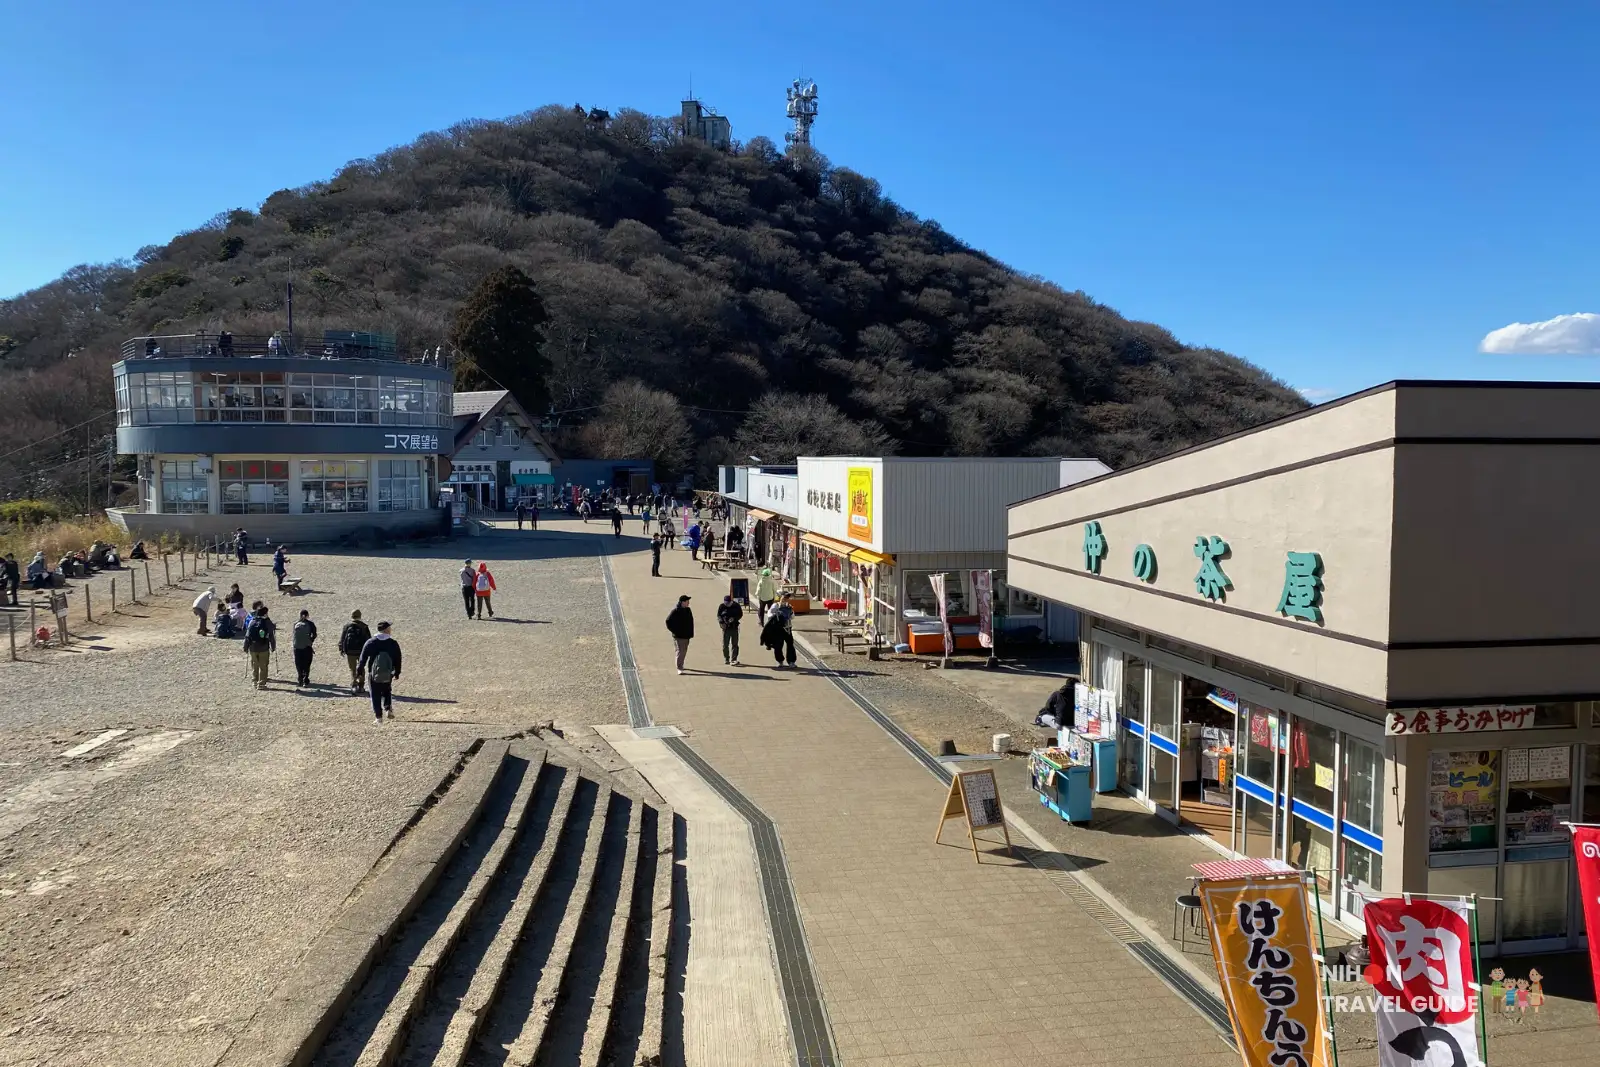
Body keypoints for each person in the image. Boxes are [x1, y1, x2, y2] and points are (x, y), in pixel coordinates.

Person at [357, 621, 402, 722]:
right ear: (386, 630)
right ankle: (388, 708)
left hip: (373, 673)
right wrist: (397, 672)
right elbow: (398, 658)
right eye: (389, 628)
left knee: (375, 694)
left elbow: (362, 658)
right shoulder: (393, 643)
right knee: (387, 690)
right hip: (388, 672)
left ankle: (378, 717)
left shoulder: (371, 642)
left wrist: (359, 671)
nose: (390, 629)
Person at [243, 605, 277, 689]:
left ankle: (255, 681)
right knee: (263, 666)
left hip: (253, 648)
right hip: (263, 647)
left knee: (255, 665)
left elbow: (247, 635)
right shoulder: (267, 622)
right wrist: (273, 646)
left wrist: (245, 647)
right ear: (265, 614)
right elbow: (271, 635)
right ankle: (261, 683)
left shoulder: (252, 621)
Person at [339, 609, 372, 693]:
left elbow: (342, 639)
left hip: (350, 652)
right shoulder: (364, 626)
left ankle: (354, 685)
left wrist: (341, 649)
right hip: (361, 652)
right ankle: (361, 686)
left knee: (352, 669)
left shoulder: (347, 626)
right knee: (361, 668)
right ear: (360, 616)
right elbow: (369, 640)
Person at [764, 593, 797, 668]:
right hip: (778, 629)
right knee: (778, 645)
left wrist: (791, 612)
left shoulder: (789, 606)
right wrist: (776, 615)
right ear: (780, 597)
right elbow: (769, 614)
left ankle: (791, 661)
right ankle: (780, 661)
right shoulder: (775, 605)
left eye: (787, 598)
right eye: (784, 597)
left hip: (787, 628)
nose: (785, 599)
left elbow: (792, 617)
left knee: (790, 645)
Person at [665, 594, 694, 675]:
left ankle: (681, 664)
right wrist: (675, 631)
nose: (688, 603)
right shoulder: (675, 611)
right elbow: (668, 621)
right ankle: (679, 667)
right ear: (683, 602)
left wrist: (690, 633)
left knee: (684, 651)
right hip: (679, 636)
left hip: (686, 635)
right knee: (680, 651)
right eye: (687, 601)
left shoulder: (688, 610)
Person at [292, 609, 318, 687]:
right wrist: (310, 641)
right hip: (307, 647)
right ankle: (305, 680)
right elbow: (314, 634)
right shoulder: (310, 624)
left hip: (297, 647)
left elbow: (294, 634)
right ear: (307, 616)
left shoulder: (295, 624)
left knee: (298, 664)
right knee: (307, 664)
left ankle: (300, 679)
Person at [717, 594, 743, 666]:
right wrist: (721, 622)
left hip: (734, 627)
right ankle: (726, 658)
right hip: (726, 628)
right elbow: (719, 615)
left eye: (728, 603)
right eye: (726, 603)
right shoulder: (722, 606)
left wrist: (734, 619)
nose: (727, 605)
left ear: (731, 601)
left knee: (735, 644)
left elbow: (740, 614)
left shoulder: (736, 606)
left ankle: (734, 659)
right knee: (725, 644)